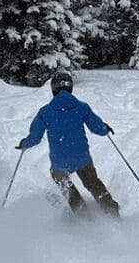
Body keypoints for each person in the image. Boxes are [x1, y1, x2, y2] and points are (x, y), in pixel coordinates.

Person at [18, 70, 120, 215]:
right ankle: (111, 209)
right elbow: (97, 126)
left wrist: (24, 144)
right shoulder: (81, 107)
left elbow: (34, 138)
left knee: (64, 183)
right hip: (82, 157)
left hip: (60, 162)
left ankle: (81, 212)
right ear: (70, 87)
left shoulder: (45, 112)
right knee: (93, 182)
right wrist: (105, 129)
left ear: (53, 89)